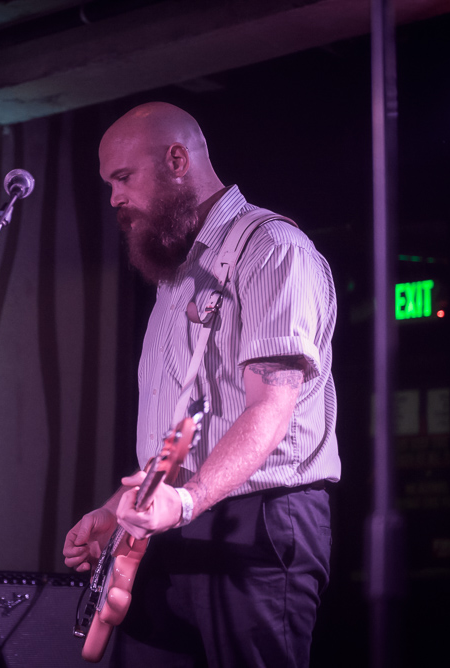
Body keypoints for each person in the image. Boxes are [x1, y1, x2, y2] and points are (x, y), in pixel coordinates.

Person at [63, 101, 340, 667]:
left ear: (176, 160)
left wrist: (186, 502)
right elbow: (176, 439)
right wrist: (118, 511)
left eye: (123, 178)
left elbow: (271, 406)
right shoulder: (178, 274)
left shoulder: (272, 250)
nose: (114, 197)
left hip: (259, 522)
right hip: (178, 524)